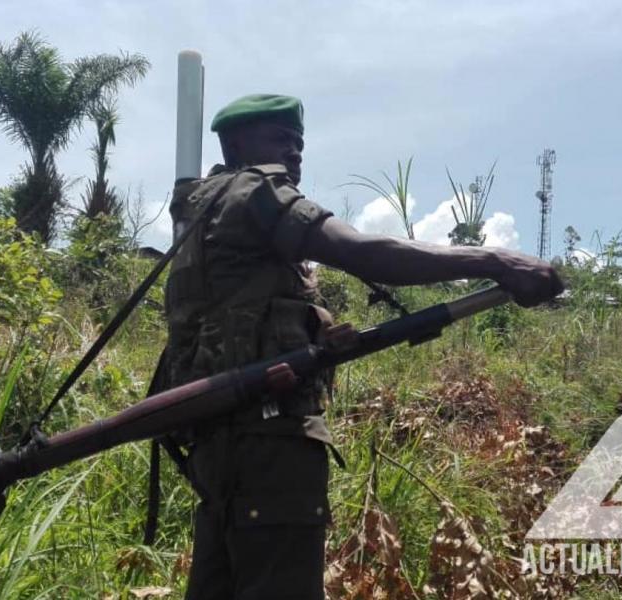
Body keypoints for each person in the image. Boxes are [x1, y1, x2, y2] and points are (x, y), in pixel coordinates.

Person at [164, 94, 563, 600]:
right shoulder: (256, 193)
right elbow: (362, 252)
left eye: (299, 143)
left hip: (215, 445)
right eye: (280, 139)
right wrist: (496, 261)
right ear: (237, 143)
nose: (294, 152)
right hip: (270, 444)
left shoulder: (199, 210)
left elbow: (228, 323)